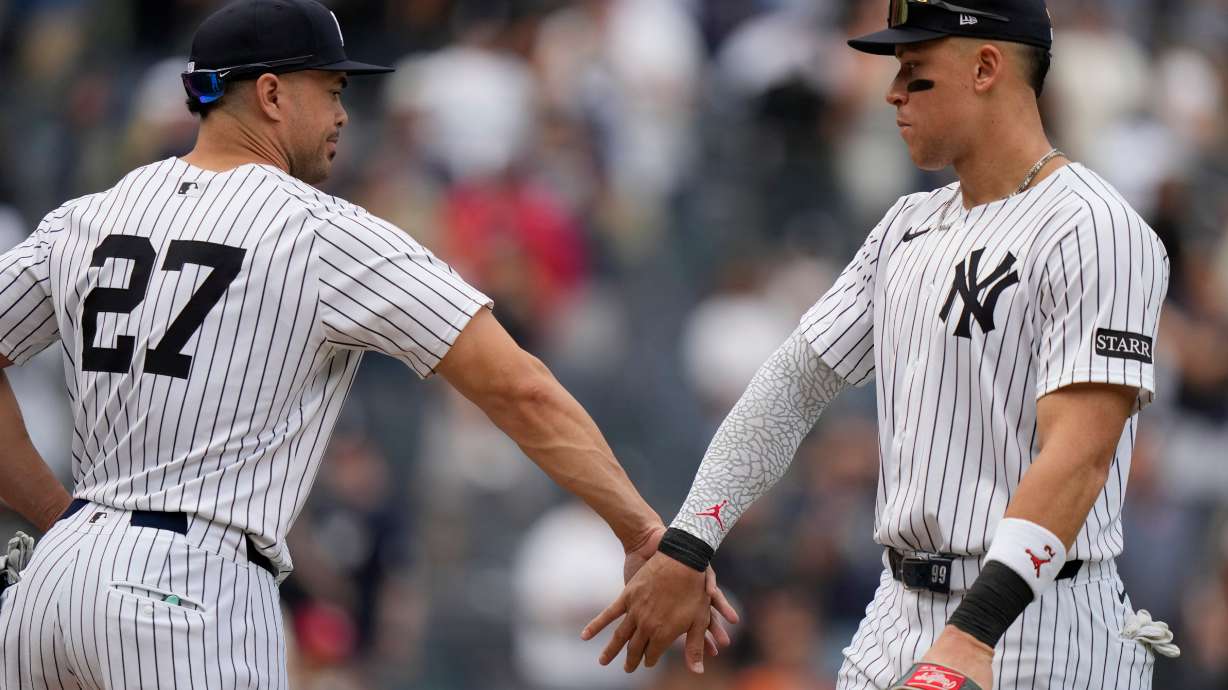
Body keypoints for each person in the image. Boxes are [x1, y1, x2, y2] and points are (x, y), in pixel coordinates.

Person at [0, 1, 735, 687]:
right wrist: (642, 528)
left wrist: (59, 517)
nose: (345, 113)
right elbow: (518, 387)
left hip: (48, 587)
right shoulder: (318, 230)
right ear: (271, 94)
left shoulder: (89, 216)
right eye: (331, 88)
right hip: (187, 589)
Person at [583, 1, 1180, 688]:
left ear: (986, 66)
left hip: (1041, 618)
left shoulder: (1096, 227)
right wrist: (690, 542)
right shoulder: (906, 225)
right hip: (897, 607)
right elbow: (793, 383)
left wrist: (975, 629)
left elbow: (1081, 453)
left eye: (916, 72)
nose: (892, 92)